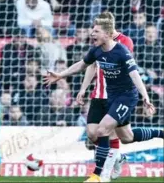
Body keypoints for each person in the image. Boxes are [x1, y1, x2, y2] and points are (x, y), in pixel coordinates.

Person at [43, 13, 163, 182]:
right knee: (120, 137)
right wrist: (63, 76)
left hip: (125, 96)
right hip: (104, 96)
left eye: (96, 30)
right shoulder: (97, 49)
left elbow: (135, 74)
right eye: (92, 30)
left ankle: (99, 175)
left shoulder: (123, 47)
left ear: (108, 32)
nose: (92, 33)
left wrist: (145, 96)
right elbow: (86, 64)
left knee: (104, 130)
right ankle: (157, 134)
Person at [76, 12, 134, 181]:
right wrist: (83, 88)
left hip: (117, 95)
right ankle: (116, 158)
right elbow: (91, 64)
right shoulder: (98, 43)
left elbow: (125, 67)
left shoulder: (125, 42)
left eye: (98, 28)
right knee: (93, 134)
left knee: (114, 134)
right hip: (99, 93)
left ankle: (103, 175)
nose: (94, 32)